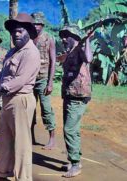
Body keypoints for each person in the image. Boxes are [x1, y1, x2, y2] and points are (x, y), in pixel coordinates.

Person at [0, 12, 40, 181]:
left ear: (28, 32)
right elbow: (2, 75)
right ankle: (1, 173)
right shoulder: (13, 51)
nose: (16, 34)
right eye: (14, 31)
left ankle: (23, 178)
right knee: (4, 139)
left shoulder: (31, 53)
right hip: (8, 100)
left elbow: (20, 80)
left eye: (20, 31)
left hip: (21, 100)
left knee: (21, 144)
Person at [59, 24, 93, 178]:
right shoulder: (70, 51)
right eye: (63, 36)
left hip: (78, 96)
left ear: (75, 37)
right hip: (70, 95)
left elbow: (89, 58)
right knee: (73, 129)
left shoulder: (80, 49)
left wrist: (86, 41)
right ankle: (75, 161)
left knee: (69, 130)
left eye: (67, 36)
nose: (64, 39)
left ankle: (75, 163)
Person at [30, 12, 56, 149]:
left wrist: (50, 82)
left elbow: (53, 60)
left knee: (46, 109)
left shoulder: (49, 38)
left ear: (42, 25)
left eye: (38, 24)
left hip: (43, 79)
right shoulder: (28, 38)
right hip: (29, 80)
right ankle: (31, 137)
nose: (36, 26)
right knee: (30, 109)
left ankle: (52, 138)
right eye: (33, 23)